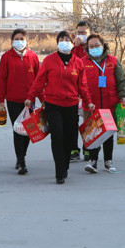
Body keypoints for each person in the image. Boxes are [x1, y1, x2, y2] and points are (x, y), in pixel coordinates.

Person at [25, 30, 95, 184]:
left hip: (71, 105)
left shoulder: (78, 62)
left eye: (67, 39)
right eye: (61, 39)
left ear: (72, 42)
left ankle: (65, 164)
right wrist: (30, 96)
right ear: (57, 43)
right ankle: (60, 171)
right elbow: (39, 80)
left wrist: (87, 101)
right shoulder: (49, 61)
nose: (64, 41)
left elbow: (82, 86)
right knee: (57, 135)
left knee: (69, 138)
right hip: (53, 105)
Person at [81, 33, 125, 173]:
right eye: (91, 46)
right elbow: (78, 83)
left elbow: (122, 80)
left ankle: (108, 161)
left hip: (110, 104)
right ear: (87, 48)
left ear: (103, 45)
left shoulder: (112, 61)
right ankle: (93, 161)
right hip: (91, 106)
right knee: (94, 134)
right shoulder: (82, 62)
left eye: (97, 45)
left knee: (108, 134)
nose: (94, 48)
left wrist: (123, 95)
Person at [0, 29, 40, 175]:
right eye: (16, 38)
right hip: (13, 99)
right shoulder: (6, 57)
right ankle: (21, 161)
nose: (19, 40)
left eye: (22, 38)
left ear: (27, 40)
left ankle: (22, 155)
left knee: (28, 130)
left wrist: (43, 99)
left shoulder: (33, 56)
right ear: (12, 41)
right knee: (18, 129)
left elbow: (39, 80)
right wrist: (1, 100)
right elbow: (2, 79)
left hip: (30, 100)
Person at [70, 21, 92, 162]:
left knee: (88, 122)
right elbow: (71, 61)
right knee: (72, 122)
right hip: (74, 91)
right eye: (79, 32)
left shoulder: (93, 47)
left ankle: (88, 148)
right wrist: (75, 46)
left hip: (89, 92)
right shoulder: (74, 48)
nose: (81, 35)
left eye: (84, 32)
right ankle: (73, 149)